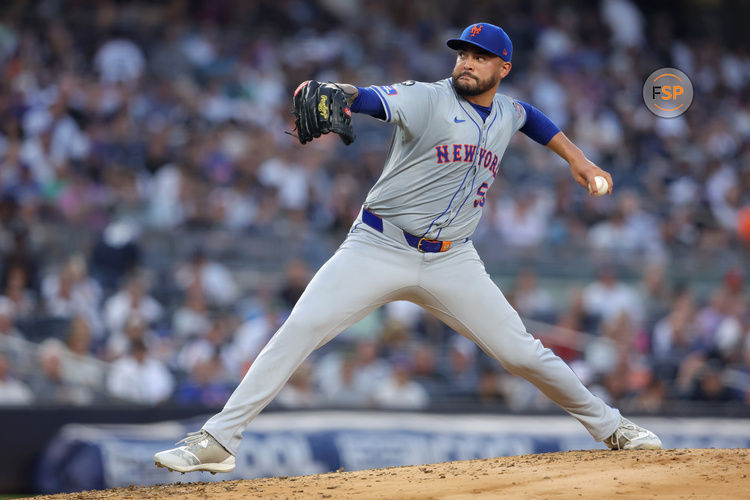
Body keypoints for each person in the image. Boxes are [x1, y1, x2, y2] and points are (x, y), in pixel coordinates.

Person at [155, 22, 661, 474]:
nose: (466, 61)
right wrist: (341, 94)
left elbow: (533, 119)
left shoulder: (507, 111)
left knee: (522, 353)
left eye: (480, 56)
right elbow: (372, 99)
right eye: (462, 53)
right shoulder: (428, 96)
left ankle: (613, 428)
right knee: (300, 328)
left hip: (452, 258)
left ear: (503, 67)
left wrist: (581, 161)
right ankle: (219, 439)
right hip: (378, 244)